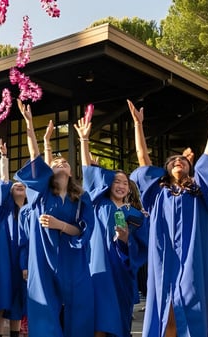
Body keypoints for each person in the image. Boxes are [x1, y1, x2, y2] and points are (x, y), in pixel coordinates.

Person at [129, 90, 208, 337]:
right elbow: (142, 158)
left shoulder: (200, 191)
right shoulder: (156, 192)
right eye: (173, 160)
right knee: (165, 310)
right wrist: (137, 125)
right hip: (163, 257)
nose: (179, 161)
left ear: (191, 168)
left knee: (191, 305)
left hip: (192, 257)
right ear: (165, 169)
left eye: (184, 161)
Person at [14, 99, 95, 337]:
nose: (60, 164)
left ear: (71, 172)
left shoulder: (80, 199)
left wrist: (60, 225)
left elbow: (83, 231)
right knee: (44, 310)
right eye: (56, 162)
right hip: (42, 258)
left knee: (79, 306)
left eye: (65, 163)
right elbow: (34, 155)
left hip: (72, 258)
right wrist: (29, 124)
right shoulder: (40, 194)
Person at [75, 115, 149, 337]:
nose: (120, 185)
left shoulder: (136, 214)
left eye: (125, 182)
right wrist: (84, 140)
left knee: (121, 318)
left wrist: (126, 239)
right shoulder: (99, 204)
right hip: (100, 265)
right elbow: (89, 172)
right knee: (100, 318)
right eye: (116, 181)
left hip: (122, 270)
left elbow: (142, 245)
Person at [0, 139, 28, 337]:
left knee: (18, 303)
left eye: (23, 185)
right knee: (1, 302)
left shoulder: (30, 213)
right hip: (4, 262)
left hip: (23, 263)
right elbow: (4, 181)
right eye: (16, 185)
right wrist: (4, 157)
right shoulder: (4, 212)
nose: (19, 186)